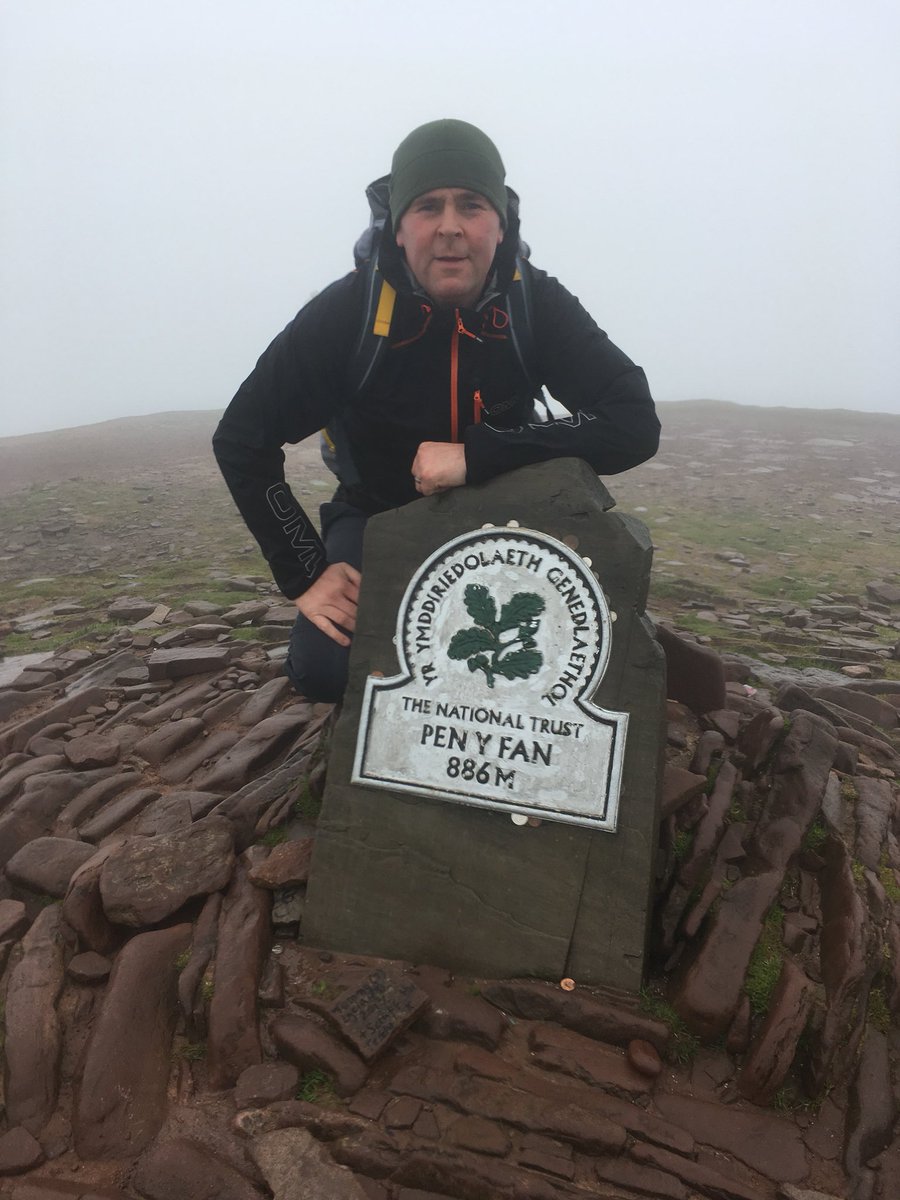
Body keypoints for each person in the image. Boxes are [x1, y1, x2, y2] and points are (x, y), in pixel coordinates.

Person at [214, 119, 660, 703]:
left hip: (511, 518)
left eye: (471, 205)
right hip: (376, 517)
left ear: (500, 225)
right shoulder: (350, 315)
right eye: (428, 207)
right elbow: (242, 438)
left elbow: (633, 422)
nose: (450, 227)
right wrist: (305, 573)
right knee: (326, 668)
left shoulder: (535, 306)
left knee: (565, 664)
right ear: (398, 228)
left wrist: (480, 456)